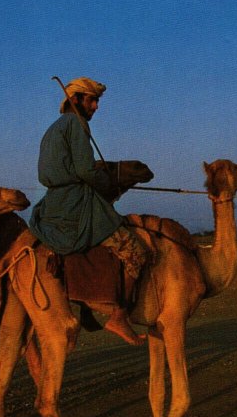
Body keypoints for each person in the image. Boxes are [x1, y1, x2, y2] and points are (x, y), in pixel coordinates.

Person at [29, 76, 148, 346]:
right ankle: (119, 316)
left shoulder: (53, 129)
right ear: (76, 100)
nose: (96, 106)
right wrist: (108, 183)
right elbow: (85, 170)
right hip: (76, 204)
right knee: (135, 251)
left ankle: (86, 306)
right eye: (92, 100)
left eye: (96, 100)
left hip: (53, 205)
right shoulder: (76, 124)